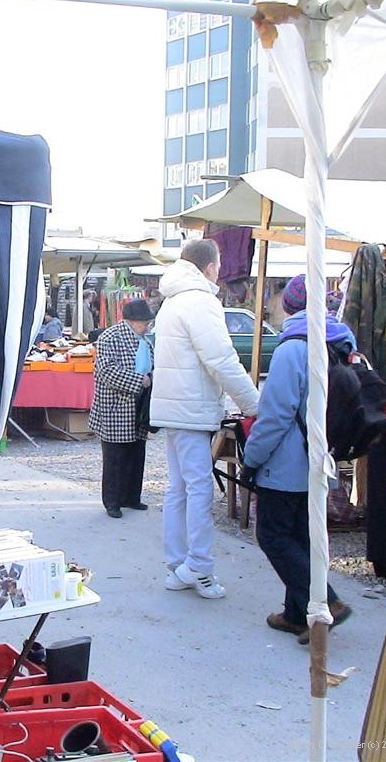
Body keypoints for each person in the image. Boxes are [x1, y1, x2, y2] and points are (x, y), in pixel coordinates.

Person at [242, 275, 353, 642]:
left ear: (289, 305)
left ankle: (328, 602)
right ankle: (296, 614)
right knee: (302, 538)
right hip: (321, 460)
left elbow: (274, 417)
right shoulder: (338, 341)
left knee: (273, 535)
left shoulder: (293, 349)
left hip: (287, 465)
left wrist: (252, 458)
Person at [150, 239, 259, 600]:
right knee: (197, 489)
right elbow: (221, 359)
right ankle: (198, 565)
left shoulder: (173, 301)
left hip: (175, 408)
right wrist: (252, 402)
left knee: (179, 488)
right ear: (210, 266)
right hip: (191, 409)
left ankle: (178, 563)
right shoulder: (200, 301)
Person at [89, 299, 154, 519]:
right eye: (144, 322)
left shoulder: (145, 340)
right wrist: (139, 381)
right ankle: (112, 502)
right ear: (131, 321)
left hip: (139, 406)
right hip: (116, 406)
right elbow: (107, 370)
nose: (147, 326)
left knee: (137, 453)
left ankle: (132, 497)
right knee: (115, 457)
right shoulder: (110, 337)